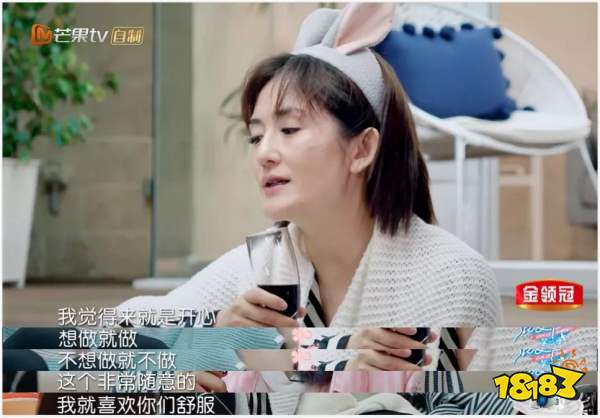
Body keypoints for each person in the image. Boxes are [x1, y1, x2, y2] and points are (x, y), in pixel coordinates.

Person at [116, 3, 503, 414]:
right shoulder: (264, 265)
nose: (264, 153)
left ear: (362, 149)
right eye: (256, 136)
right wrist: (205, 339)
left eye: (289, 129)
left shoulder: (452, 277)